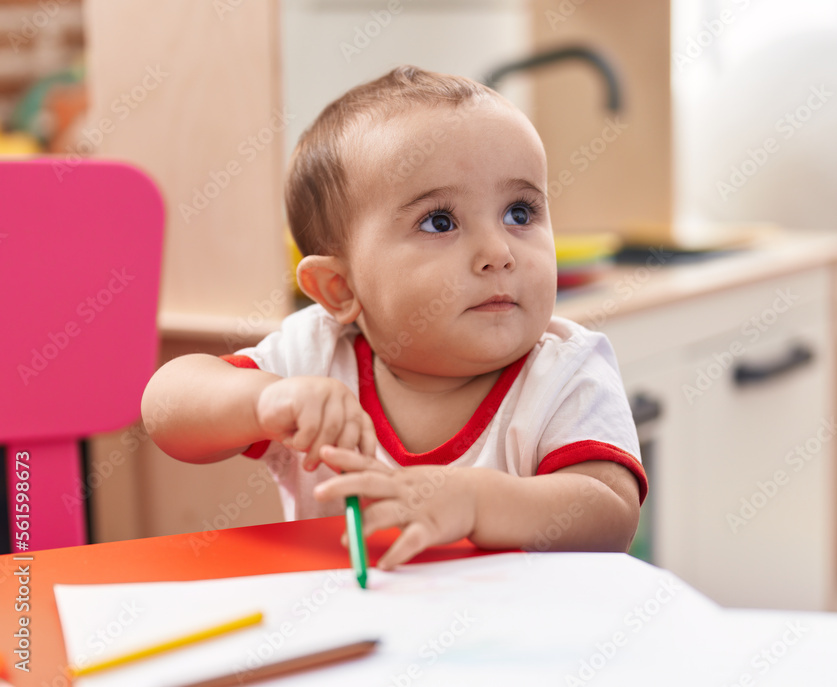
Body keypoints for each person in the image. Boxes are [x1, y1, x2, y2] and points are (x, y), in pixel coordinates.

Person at [141, 65, 646, 570]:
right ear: (340, 289)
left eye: (520, 212)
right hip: (355, 636)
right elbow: (166, 407)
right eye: (439, 222)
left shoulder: (566, 372)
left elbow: (611, 515)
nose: (499, 252)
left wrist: (479, 502)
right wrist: (263, 401)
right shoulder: (314, 355)